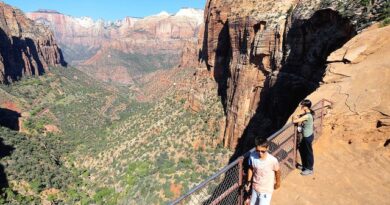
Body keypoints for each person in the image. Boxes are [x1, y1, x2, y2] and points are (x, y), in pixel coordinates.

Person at [245, 138, 281, 205]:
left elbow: (277, 171)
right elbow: (251, 168)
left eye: (263, 151)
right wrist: (248, 181)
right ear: (255, 148)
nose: (260, 153)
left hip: (266, 190)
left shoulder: (272, 160)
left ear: (267, 148)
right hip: (255, 188)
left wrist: (278, 183)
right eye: (258, 150)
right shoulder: (252, 156)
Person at [292, 99, 315, 176]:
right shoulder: (307, 113)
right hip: (307, 136)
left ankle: (309, 169)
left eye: (302, 105)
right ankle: (305, 166)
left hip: (307, 137)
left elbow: (294, 121)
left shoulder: (307, 116)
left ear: (305, 107)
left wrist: (294, 116)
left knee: (308, 153)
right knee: (303, 151)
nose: (301, 106)